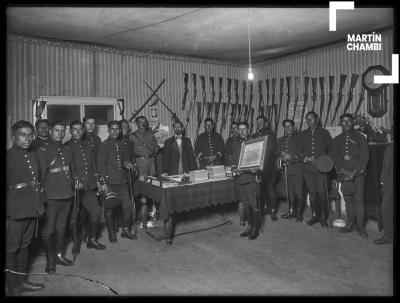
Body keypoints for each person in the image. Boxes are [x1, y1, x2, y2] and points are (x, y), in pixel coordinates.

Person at [6, 120, 45, 296]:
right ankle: (13, 288)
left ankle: (22, 282)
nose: (28, 138)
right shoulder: (9, 156)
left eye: (30, 134)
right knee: (11, 248)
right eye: (23, 134)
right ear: (13, 136)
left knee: (25, 246)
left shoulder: (33, 155)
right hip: (14, 211)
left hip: (31, 207)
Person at [36, 121, 75, 274]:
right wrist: (42, 197)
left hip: (67, 194)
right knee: (49, 230)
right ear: (51, 131)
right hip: (51, 196)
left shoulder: (66, 148)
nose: (60, 133)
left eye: (62, 131)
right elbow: (40, 176)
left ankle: (59, 255)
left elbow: (71, 170)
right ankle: (50, 260)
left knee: (61, 227)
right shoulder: (43, 150)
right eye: (57, 130)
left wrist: (75, 181)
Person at [65, 120, 106, 250]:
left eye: (80, 129)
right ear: (70, 131)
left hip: (89, 185)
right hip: (74, 187)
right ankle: (75, 239)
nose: (77, 131)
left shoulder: (87, 145)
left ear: (83, 131)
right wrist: (75, 180)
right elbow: (68, 168)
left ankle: (92, 239)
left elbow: (93, 165)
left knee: (96, 212)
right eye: (74, 129)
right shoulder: (66, 146)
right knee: (73, 216)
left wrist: (98, 181)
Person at [97, 120, 137, 242]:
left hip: (121, 181)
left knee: (128, 206)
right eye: (112, 129)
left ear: (120, 131)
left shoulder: (121, 144)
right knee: (110, 209)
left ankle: (125, 230)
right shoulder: (103, 145)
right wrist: (104, 183)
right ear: (108, 130)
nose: (115, 131)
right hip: (109, 183)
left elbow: (124, 159)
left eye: (117, 129)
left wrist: (128, 163)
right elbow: (100, 166)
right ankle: (111, 233)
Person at [331, 113, 369, 237]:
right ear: (340, 123)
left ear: (352, 122)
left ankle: (361, 227)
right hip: (344, 174)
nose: (346, 123)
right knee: (348, 201)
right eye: (343, 121)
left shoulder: (360, 137)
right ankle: (351, 224)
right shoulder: (337, 139)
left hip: (358, 174)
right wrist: (343, 171)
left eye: (349, 121)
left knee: (359, 200)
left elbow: (365, 157)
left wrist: (354, 173)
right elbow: (335, 158)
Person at [298, 111, 333, 227]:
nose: (309, 121)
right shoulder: (303, 134)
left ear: (317, 120)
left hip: (321, 169)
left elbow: (332, 149)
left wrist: (325, 161)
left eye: (311, 119)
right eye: (307, 119)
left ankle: (323, 217)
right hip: (308, 169)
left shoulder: (324, 133)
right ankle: (315, 216)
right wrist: (305, 157)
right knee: (312, 193)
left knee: (322, 193)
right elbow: (299, 151)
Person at [129, 116, 159, 228]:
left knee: (151, 188)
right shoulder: (132, 136)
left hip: (151, 164)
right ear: (136, 123)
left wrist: (149, 157)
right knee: (141, 191)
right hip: (139, 164)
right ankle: (141, 218)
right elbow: (129, 152)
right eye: (140, 122)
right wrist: (136, 163)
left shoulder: (151, 135)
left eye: (144, 122)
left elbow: (156, 148)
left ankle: (150, 216)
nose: (143, 123)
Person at [234, 122, 262, 240]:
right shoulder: (236, 144)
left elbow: (259, 162)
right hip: (240, 180)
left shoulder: (254, 143)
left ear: (248, 129)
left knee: (254, 205)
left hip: (250, 180)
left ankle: (256, 228)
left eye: (244, 129)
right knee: (246, 205)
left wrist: (246, 170)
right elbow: (234, 161)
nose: (242, 132)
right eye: (239, 130)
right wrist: (234, 169)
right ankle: (250, 227)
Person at [276, 119, 304, 222]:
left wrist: (291, 156)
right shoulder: (281, 140)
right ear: (283, 128)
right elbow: (277, 153)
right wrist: (280, 157)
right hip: (286, 170)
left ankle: (299, 214)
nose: (288, 128)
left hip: (297, 169)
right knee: (290, 193)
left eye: (290, 126)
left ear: (293, 127)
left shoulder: (299, 139)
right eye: (286, 127)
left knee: (299, 193)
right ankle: (291, 212)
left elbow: (303, 154)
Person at [252, 116, 278, 221]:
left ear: (266, 123)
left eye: (261, 122)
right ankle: (264, 208)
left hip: (269, 167)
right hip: (258, 168)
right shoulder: (254, 136)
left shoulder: (271, 135)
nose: (259, 124)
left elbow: (271, 150)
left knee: (270, 190)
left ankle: (273, 211)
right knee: (260, 190)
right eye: (258, 122)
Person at [374, 132, 393, 244]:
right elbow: (385, 167)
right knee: (385, 209)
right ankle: (388, 235)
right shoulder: (390, 148)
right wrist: (382, 182)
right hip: (390, 183)